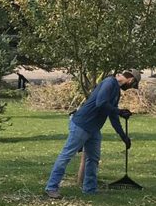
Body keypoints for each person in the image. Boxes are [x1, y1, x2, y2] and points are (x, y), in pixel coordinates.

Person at [45, 70, 140, 198]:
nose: (129, 88)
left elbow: (113, 115)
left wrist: (124, 136)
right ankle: (51, 188)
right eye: (132, 85)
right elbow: (100, 103)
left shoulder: (116, 91)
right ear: (131, 80)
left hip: (94, 129)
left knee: (93, 159)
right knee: (66, 155)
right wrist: (119, 111)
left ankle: (89, 189)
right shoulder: (109, 83)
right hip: (82, 125)